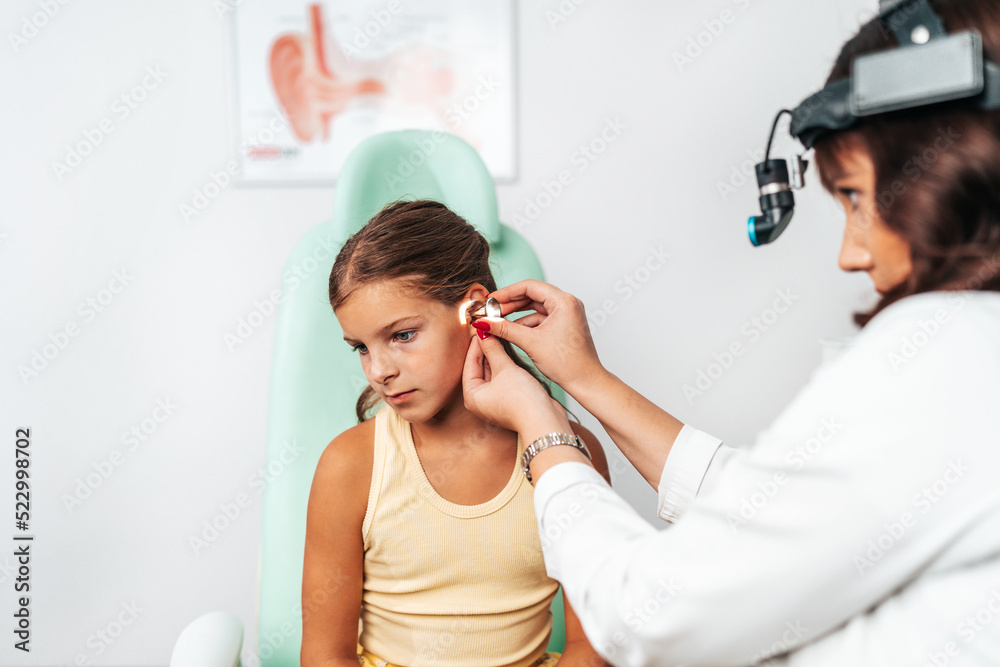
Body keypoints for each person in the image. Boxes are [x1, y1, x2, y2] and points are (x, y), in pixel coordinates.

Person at [462, 1, 1000, 664]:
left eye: (856, 197)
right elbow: (790, 518)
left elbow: (647, 616)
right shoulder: (975, 350)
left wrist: (541, 428)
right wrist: (583, 380)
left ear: (949, 169)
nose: (851, 254)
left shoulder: (939, 351)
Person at [299, 199, 612, 667]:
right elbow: (325, 657)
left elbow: (590, 647)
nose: (379, 371)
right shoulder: (351, 466)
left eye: (402, 335)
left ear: (473, 310)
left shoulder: (567, 456)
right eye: (361, 348)